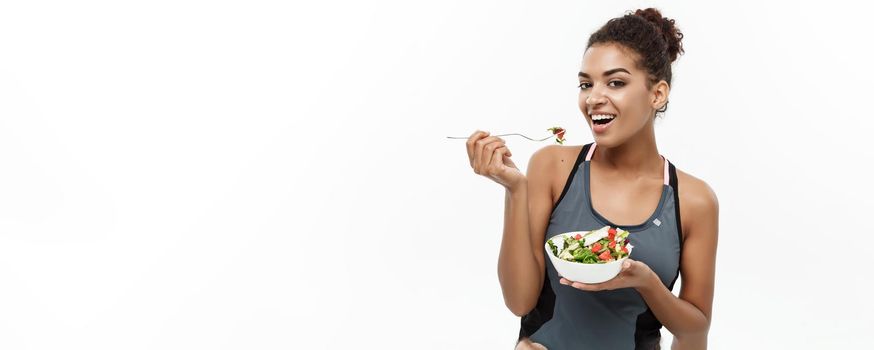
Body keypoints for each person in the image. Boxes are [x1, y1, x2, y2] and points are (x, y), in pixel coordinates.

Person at [464, 8, 718, 350]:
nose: (594, 98)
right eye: (586, 83)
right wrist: (515, 190)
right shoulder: (553, 167)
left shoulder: (694, 200)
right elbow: (519, 301)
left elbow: (694, 331)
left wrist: (646, 282)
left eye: (616, 82)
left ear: (657, 94)